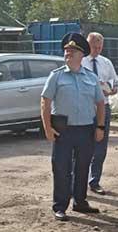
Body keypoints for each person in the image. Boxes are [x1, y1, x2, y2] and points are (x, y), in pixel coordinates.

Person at [40, 32, 106, 221]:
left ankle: (80, 202)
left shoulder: (91, 77)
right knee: (61, 168)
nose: (68, 53)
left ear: (81, 55)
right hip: (63, 130)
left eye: (72, 51)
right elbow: (45, 102)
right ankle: (60, 206)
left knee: (82, 168)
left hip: (86, 129)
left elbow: (100, 103)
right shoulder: (56, 76)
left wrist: (100, 127)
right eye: (66, 51)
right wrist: (47, 128)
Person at [82, 32, 118, 195]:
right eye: (93, 47)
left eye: (99, 47)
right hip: (85, 108)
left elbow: (115, 83)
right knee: (82, 146)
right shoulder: (80, 61)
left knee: (100, 146)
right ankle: (78, 181)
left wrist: (111, 89)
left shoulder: (106, 62)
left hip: (103, 107)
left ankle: (94, 181)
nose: (96, 50)